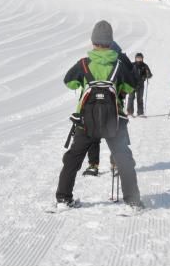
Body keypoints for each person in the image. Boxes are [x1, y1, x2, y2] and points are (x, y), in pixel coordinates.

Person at [56, 20, 143, 211]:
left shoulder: (83, 64)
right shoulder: (119, 65)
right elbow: (131, 86)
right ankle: (133, 201)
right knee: (124, 159)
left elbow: (69, 82)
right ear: (110, 42)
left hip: (86, 121)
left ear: (93, 41)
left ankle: (63, 198)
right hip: (114, 121)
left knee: (73, 158)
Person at [83, 41, 136, 177]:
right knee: (111, 133)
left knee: (113, 133)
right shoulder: (99, 58)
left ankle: (111, 163)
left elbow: (131, 78)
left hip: (112, 102)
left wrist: (122, 90)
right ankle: (101, 164)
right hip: (99, 101)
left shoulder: (120, 59)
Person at [127, 53, 153, 117]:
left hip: (140, 85)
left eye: (140, 58)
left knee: (140, 98)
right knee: (131, 98)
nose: (139, 59)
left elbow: (150, 75)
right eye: (137, 58)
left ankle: (140, 113)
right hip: (132, 84)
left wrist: (147, 74)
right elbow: (127, 72)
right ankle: (130, 112)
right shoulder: (132, 65)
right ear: (135, 58)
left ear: (142, 58)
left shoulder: (144, 66)